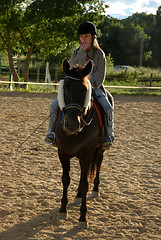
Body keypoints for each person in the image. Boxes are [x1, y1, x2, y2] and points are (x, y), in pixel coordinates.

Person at [44, 21, 114, 150]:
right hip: (76, 88)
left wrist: (87, 85)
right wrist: (82, 53)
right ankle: (51, 133)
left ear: (93, 37)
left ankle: (108, 135)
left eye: (86, 36)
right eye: (81, 37)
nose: (83, 39)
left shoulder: (100, 54)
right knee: (54, 105)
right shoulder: (76, 53)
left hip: (94, 88)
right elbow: (70, 69)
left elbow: (100, 76)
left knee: (108, 107)